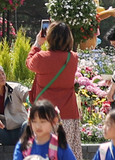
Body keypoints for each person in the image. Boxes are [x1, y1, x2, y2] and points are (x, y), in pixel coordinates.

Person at [27, 21, 81, 151]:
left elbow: (29, 63)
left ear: (49, 37)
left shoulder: (41, 57)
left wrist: (38, 43)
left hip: (44, 114)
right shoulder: (73, 58)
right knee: (66, 154)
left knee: (44, 154)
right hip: (68, 113)